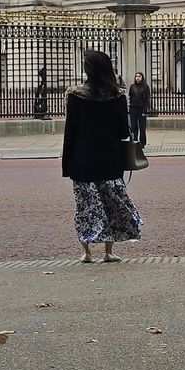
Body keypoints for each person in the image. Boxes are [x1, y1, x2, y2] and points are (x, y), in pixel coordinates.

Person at [62, 50, 142, 264]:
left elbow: (70, 132)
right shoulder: (117, 96)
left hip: (83, 161)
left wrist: (67, 165)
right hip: (110, 160)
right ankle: (108, 251)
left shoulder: (75, 96)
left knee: (85, 208)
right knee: (112, 205)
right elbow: (123, 131)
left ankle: (86, 252)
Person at [127, 71, 152, 147]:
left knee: (142, 126)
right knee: (134, 125)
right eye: (136, 76)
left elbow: (147, 99)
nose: (137, 78)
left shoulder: (145, 87)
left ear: (142, 78)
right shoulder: (132, 87)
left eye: (139, 76)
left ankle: (142, 142)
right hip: (133, 108)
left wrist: (145, 109)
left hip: (142, 108)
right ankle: (135, 139)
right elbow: (130, 97)